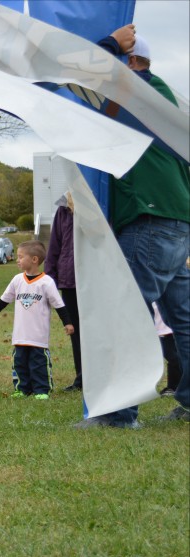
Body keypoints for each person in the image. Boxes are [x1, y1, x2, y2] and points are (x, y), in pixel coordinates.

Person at [81, 27, 190, 426]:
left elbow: (83, 73)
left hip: (149, 221)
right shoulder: (166, 102)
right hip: (175, 221)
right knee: (185, 319)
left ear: (131, 63)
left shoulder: (139, 93)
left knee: (125, 312)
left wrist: (108, 45)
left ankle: (120, 414)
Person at [0, 241, 74, 400]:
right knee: (20, 363)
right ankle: (22, 389)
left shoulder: (46, 282)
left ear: (34, 259)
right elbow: (4, 300)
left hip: (38, 337)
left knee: (39, 364)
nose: (17, 260)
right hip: (20, 335)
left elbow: (59, 305)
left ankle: (42, 390)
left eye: (21, 257)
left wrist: (68, 323)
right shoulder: (17, 280)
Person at [46, 192, 82, 391]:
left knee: (96, 331)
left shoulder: (100, 202)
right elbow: (55, 245)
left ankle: (100, 377)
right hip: (70, 281)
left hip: (94, 281)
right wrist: (49, 280)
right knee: (75, 330)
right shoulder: (63, 210)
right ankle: (81, 377)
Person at [153, 303, 182, 397]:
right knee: (174, 358)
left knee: (174, 358)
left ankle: (174, 387)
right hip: (158, 330)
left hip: (167, 330)